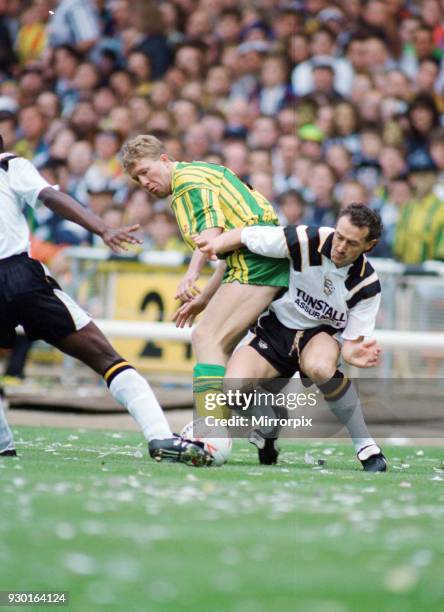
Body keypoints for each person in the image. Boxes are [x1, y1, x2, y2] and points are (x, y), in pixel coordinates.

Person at [0, 137, 210, 466]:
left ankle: (3, 446)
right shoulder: (9, 163)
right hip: (17, 276)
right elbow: (50, 197)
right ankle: (160, 436)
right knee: (105, 356)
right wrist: (102, 228)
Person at [193, 204, 387, 472]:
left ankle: (366, 447)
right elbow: (247, 235)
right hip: (276, 328)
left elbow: (352, 345)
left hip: (319, 335)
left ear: (370, 245)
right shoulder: (306, 239)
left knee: (320, 368)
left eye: (351, 243)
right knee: (232, 389)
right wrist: (215, 243)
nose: (340, 246)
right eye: (339, 236)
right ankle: (269, 418)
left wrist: (354, 354)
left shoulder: (368, 285)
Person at [120, 134, 289, 418]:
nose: (145, 183)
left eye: (145, 172)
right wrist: (205, 299)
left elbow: (211, 233)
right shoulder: (199, 172)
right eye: (137, 179)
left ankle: (212, 428)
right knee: (218, 348)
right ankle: (260, 414)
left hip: (258, 261)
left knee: (205, 337)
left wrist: (191, 273)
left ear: (164, 159)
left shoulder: (186, 182)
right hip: (259, 257)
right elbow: (226, 243)